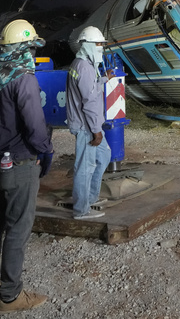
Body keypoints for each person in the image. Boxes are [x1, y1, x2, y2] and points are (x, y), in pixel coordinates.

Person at [0, 19, 54, 314]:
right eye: (30, 47)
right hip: (19, 163)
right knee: (18, 229)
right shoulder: (24, 79)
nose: (32, 52)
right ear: (23, 48)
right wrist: (45, 149)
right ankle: (9, 297)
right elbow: (34, 124)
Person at [66, 26, 112, 220]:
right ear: (89, 45)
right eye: (99, 44)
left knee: (104, 156)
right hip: (87, 126)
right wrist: (96, 130)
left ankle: (90, 197)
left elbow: (90, 89)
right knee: (85, 167)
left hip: (88, 124)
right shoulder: (84, 67)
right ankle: (81, 210)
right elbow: (89, 101)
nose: (101, 47)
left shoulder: (81, 64)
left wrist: (103, 79)